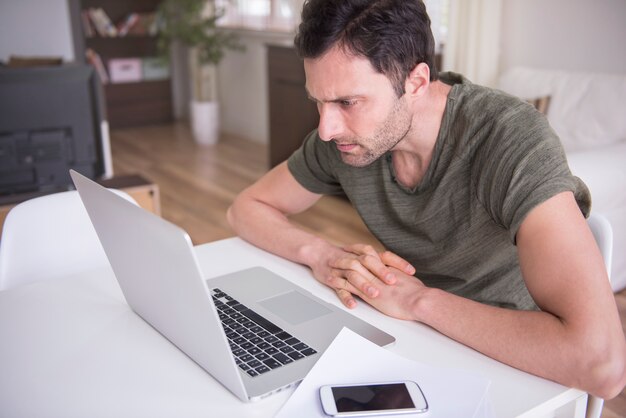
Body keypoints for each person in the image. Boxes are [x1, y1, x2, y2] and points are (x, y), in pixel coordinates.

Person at [227, 0, 626, 399]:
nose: (327, 129)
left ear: (415, 82)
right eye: (319, 102)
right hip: (410, 339)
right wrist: (321, 255)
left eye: (348, 102)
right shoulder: (348, 142)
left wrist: (418, 300)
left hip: (514, 366)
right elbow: (245, 208)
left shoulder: (509, 140)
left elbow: (603, 366)